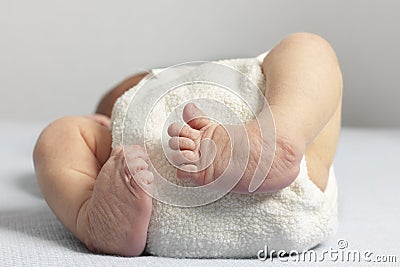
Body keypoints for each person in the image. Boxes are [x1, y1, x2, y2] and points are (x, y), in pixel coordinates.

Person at [33, 32, 342, 256]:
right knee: (308, 49)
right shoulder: (112, 140)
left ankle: (88, 218)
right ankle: (280, 134)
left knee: (58, 136)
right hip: (294, 203)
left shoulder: (104, 141)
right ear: (104, 121)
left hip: (159, 219)